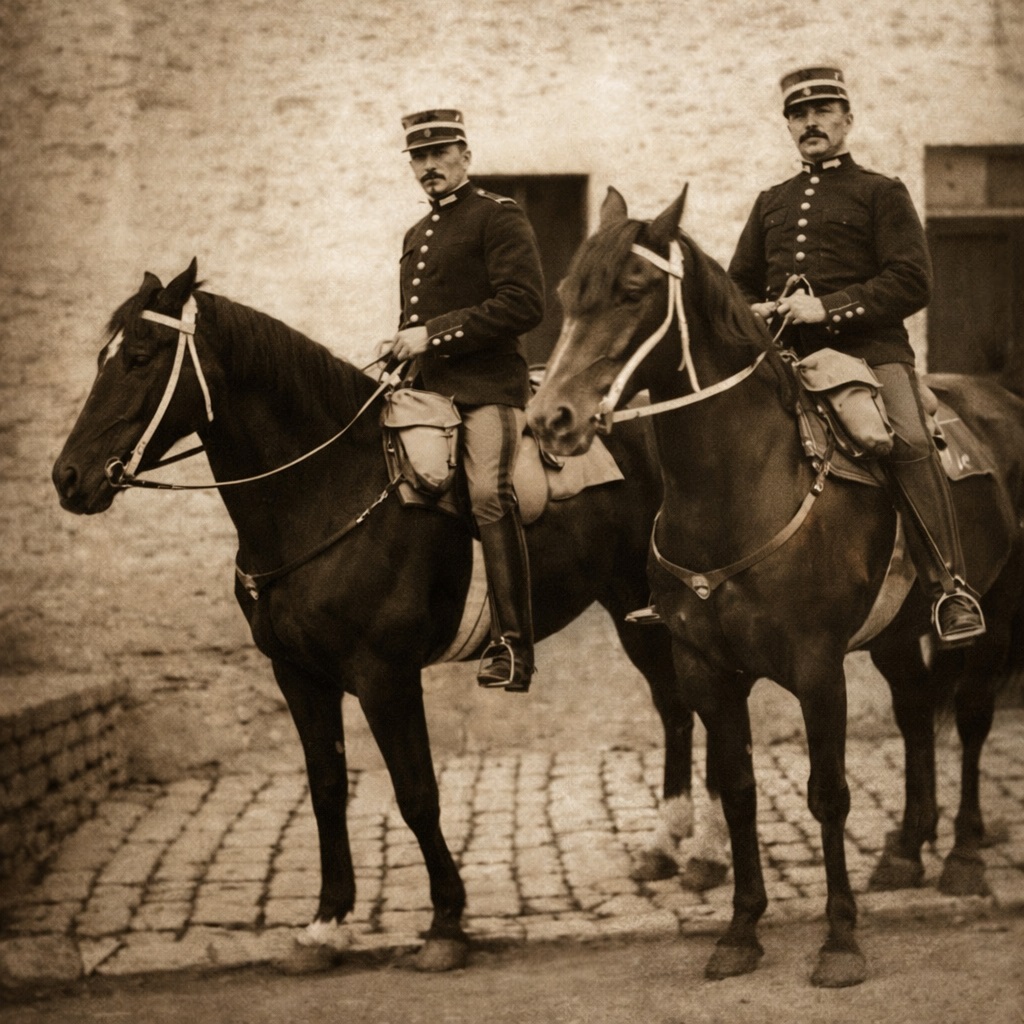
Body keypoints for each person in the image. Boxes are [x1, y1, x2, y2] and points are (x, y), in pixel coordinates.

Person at [728, 66, 986, 645]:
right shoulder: (771, 202)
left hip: (870, 355)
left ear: (847, 120)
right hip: (788, 359)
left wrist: (831, 308)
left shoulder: (880, 192)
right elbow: (738, 283)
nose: (811, 123)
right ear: (788, 126)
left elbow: (912, 281)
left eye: (823, 111)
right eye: (799, 114)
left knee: (911, 440)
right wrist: (758, 311)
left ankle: (949, 587)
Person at [388, 108, 546, 690]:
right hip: (426, 394)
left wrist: (433, 333)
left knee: (487, 494)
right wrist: (405, 350)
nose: (429, 166)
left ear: (465, 156)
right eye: (418, 157)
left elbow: (524, 304)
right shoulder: (416, 234)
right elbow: (416, 322)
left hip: (487, 392)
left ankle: (513, 645)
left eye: (439, 153)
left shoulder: (498, 217)